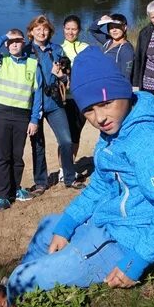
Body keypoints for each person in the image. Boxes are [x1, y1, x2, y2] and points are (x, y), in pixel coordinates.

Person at [3, 47, 154, 304]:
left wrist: (137, 261)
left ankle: (12, 294)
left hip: (125, 240)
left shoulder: (147, 141)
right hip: (104, 223)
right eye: (89, 110)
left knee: (22, 279)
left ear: (124, 92)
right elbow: (99, 186)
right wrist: (67, 225)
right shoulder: (114, 130)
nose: (99, 117)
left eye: (106, 103)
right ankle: (19, 292)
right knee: (50, 226)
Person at [0, 28, 40, 211]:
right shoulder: (0, 61)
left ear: (23, 44)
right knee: (2, 157)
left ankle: (15, 190)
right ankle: (2, 196)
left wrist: (34, 120)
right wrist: (3, 37)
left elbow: (37, 95)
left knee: (17, 156)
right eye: (11, 41)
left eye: (18, 41)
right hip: (1, 114)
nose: (14, 44)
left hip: (22, 116)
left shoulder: (32, 64)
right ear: (6, 45)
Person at [24, 15, 81, 194]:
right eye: (38, 29)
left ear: (50, 32)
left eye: (45, 29)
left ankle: (69, 178)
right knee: (38, 144)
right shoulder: (25, 52)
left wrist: (61, 76)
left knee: (66, 140)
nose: (42, 32)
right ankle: (41, 182)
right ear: (31, 32)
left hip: (54, 102)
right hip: (34, 104)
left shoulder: (55, 50)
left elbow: (66, 76)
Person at [61, 15, 89, 157]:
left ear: (79, 30)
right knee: (64, 137)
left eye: (74, 29)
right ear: (63, 29)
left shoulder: (85, 48)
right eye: (68, 29)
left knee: (76, 133)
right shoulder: (58, 49)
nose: (70, 32)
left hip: (81, 99)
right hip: (64, 98)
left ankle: (71, 166)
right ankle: (62, 169)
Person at [89, 13, 135, 80]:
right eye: (111, 27)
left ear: (124, 28)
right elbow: (92, 30)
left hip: (114, 86)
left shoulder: (126, 50)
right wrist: (102, 20)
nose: (114, 30)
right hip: (103, 81)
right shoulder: (107, 41)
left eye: (117, 27)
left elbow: (126, 77)